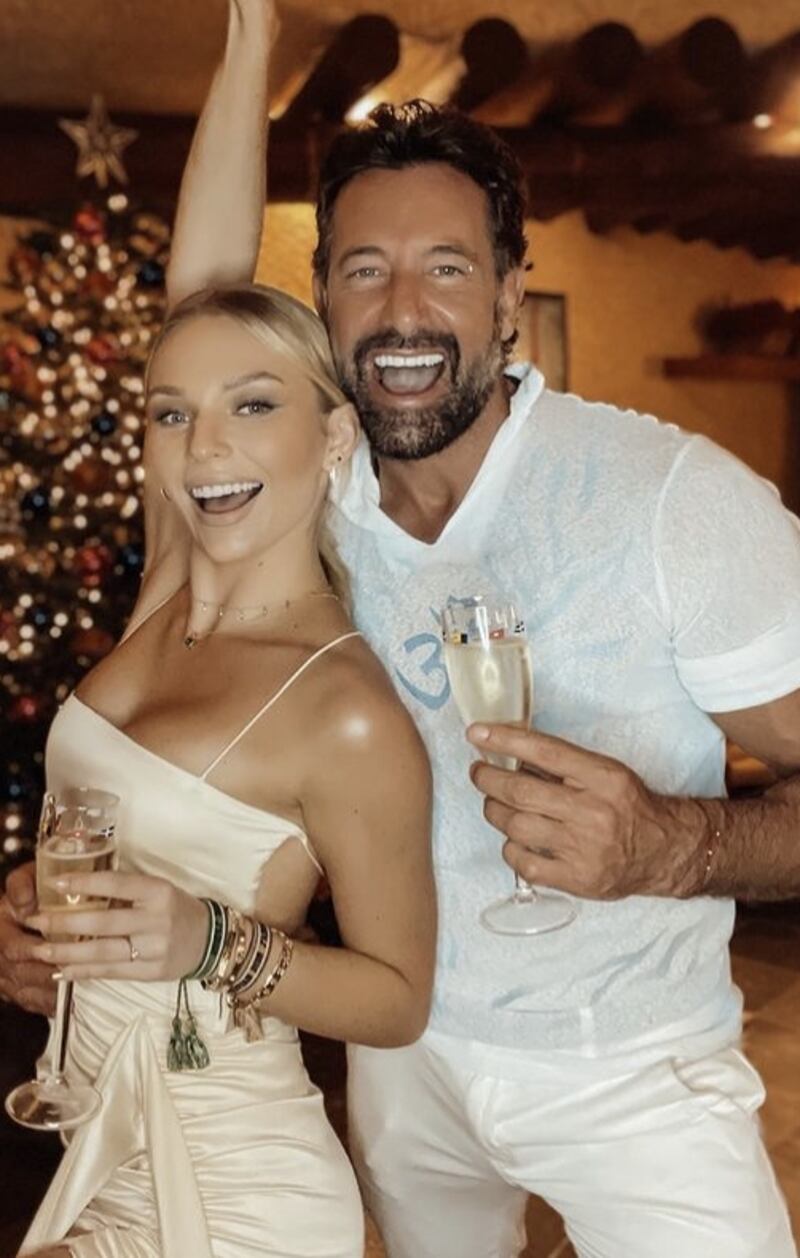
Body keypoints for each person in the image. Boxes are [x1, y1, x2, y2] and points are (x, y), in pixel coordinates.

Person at [4, 1, 800, 1255]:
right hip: (405, 1073)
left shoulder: (666, 500)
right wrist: (249, 34)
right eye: (365, 268)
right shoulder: (307, 491)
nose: (404, 304)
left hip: (628, 1072)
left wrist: (672, 843)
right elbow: (199, 311)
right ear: (324, 302)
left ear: (508, 293)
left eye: (448, 266)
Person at [11, 273, 434, 1255]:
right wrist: (27, 909)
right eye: (172, 413)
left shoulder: (346, 709)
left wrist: (209, 941)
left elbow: (398, 1000)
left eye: (252, 405)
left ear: (334, 436)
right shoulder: (166, 594)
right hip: (97, 1148)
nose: (203, 445)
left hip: (234, 1186)